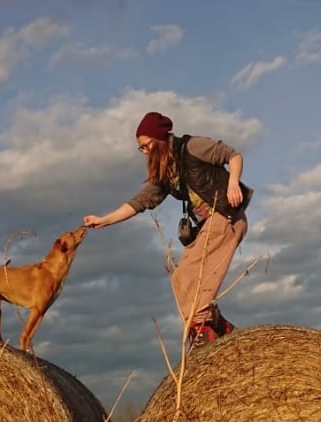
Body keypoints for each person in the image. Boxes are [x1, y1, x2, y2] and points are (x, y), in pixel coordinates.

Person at [83, 111, 251, 348]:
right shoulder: (166, 172)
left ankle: (203, 326)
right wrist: (105, 220)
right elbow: (140, 202)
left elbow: (233, 155)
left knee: (195, 272)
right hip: (208, 224)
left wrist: (233, 182)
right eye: (141, 148)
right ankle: (215, 324)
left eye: (145, 145)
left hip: (226, 216)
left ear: (159, 138)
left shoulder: (192, 147)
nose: (145, 152)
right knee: (180, 278)